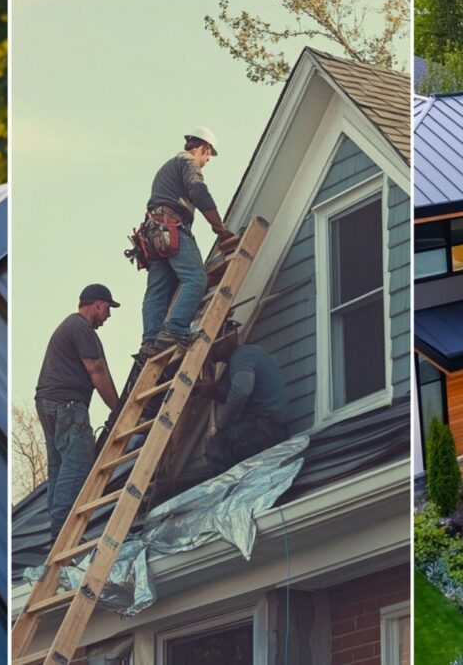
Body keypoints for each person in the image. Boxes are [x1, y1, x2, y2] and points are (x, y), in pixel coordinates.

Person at [35, 284, 121, 541]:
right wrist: (118, 409)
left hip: (50, 405)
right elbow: (97, 371)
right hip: (68, 407)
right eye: (107, 309)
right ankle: (65, 536)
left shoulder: (69, 326)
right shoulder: (81, 328)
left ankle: (56, 535)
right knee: (77, 468)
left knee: (59, 470)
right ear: (97, 304)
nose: (108, 316)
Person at [140, 127, 233, 357]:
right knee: (196, 277)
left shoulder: (168, 167)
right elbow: (199, 192)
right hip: (170, 227)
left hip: (154, 233)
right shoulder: (188, 163)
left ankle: (150, 341)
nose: (207, 160)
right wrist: (218, 227)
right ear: (204, 147)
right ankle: (175, 330)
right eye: (208, 155)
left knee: (158, 290)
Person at [197, 326, 289, 474]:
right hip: (266, 427)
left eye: (214, 345)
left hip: (264, 427)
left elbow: (241, 392)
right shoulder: (237, 362)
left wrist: (221, 425)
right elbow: (236, 395)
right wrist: (213, 392)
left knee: (217, 445)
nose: (210, 351)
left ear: (228, 338)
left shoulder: (244, 354)